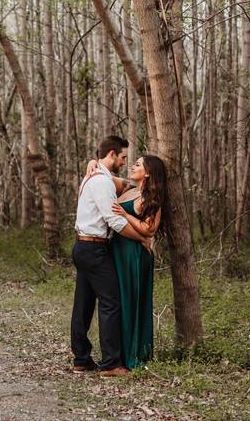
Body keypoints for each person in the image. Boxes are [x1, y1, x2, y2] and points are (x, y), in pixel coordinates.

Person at [71, 135, 153, 377]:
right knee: (111, 302)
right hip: (94, 249)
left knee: (83, 304)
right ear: (112, 155)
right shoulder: (102, 183)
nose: (125, 162)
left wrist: (93, 162)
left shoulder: (95, 176)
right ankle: (111, 364)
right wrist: (141, 238)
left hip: (83, 246)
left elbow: (126, 184)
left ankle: (81, 359)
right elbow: (115, 221)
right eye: (123, 157)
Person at [109, 155, 164, 369]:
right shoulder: (128, 189)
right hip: (117, 251)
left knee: (131, 301)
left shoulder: (151, 197)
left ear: (148, 173)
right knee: (116, 302)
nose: (132, 166)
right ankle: (116, 354)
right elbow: (107, 177)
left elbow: (148, 230)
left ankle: (134, 355)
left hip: (135, 254)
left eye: (138, 165)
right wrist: (92, 164)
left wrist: (124, 214)